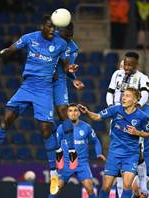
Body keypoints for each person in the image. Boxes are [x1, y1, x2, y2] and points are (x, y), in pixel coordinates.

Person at [0, 15, 78, 195]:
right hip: (27, 86)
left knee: (45, 131)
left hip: (44, 90)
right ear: (42, 27)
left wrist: (71, 73)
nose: (52, 31)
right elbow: (12, 48)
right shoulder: (31, 37)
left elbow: (65, 66)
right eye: (49, 28)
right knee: (5, 121)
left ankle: (54, 175)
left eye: (54, 28)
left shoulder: (61, 44)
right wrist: (2, 52)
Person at [78, 87, 149, 198]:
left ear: (135, 100)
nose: (123, 98)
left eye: (127, 96)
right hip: (114, 153)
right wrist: (87, 112)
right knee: (106, 187)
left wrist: (137, 132)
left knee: (127, 185)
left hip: (131, 154)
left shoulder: (142, 117)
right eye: (123, 95)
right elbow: (98, 117)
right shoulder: (116, 109)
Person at [49, 103, 106, 198]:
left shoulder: (86, 127)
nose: (73, 113)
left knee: (89, 188)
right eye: (70, 111)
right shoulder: (62, 128)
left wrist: (99, 153)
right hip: (66, 163)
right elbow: (56, 145)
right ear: (67, 114)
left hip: (82, 163)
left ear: (79, 113)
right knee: (55, 190)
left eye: (75, 110)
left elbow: (96, 141)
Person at [52, 21, 84, 170]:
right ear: (59, 31)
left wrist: (74, 78)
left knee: (63, 112)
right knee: (46, 118)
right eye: (66, 34)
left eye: (72, 35)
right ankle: (58, 149)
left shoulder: (73, 47)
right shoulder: (50, 37)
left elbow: (67, 68)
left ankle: (71, 150)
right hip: (44, 80)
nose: (69, 37)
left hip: (59, 81)